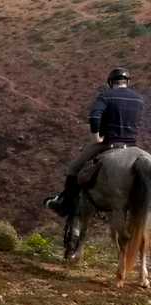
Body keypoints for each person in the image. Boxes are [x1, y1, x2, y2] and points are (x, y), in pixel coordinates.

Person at [44, 68, 145, 216]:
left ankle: (64, 204)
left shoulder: (105, 96)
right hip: (132, 144)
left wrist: (96, 137)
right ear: (127, 82)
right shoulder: (139, 99)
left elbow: (94, 117)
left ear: (110, 82)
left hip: (109, 142)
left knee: (74, 168)